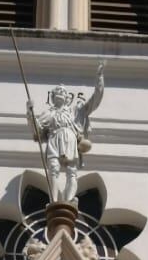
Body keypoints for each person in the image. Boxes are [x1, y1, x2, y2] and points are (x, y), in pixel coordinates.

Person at [28, 63, 105, 203]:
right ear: (53, 97)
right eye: (57, 91)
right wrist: (30, 113)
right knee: (53, 170)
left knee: (71, 171)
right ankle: (54, 200)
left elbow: (95, 101)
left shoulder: (75, 112)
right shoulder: (49, 113)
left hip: (69, 139)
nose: (60, 93)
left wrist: (99, 78)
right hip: (54, 139)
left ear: (67, 97)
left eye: (63, 91)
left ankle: (69, 200)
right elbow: (36, 129)